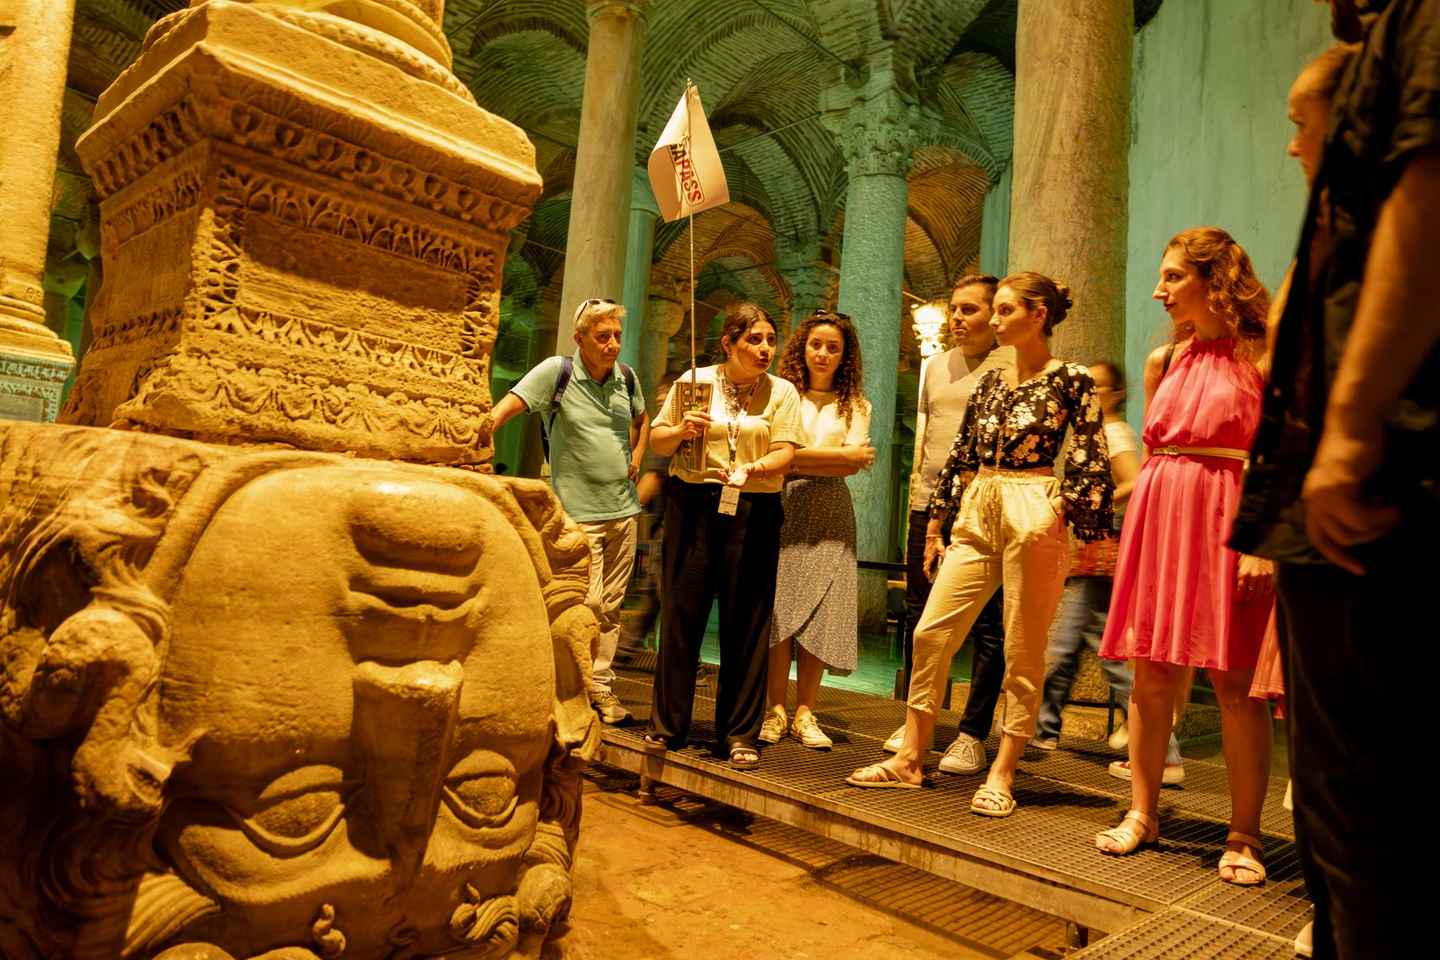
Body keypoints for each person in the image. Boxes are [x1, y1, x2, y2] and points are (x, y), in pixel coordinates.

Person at [1229, 2, 1439, 955]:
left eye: (1297, 126)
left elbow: (1427, 200)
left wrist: (1348, 435)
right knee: (1350, 812)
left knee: (1366, 814)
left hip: (1386, 481)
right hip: (1364, 476)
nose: (1288, 148)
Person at [846, 273, 1113, 820]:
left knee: (1023, 644)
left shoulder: (1071, 379)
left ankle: (1003, 770)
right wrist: (939, 523)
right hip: (979, 499)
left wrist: (1060, 508)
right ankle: (912, 757)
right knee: (931, 630)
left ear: (1038, 314)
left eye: (1006, 309)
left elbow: (1090, 456)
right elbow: (961, 454)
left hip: (1031, 502)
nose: (994, 319)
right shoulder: (991, 382)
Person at [1095, 229, 1274, 890]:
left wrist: (1260, 538)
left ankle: (1244, 833)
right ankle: (1142, 812)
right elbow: (1151, 457)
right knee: (1151, 677)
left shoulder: (1260, 352)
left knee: (1233, 684)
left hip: (1228, 518)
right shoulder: (1163, 360)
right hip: (1161, 513)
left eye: (1172, 277)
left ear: (1212, 278)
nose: (1159, 290)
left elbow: (1274, 452)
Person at [643, 303, 804, 770]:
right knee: (681, 617)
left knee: (747, 623)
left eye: (770, 340)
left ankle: (739, 734)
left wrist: (752, 467)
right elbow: (658, 442)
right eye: (754, 340)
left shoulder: (782, 391)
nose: (765, 349)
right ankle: (666, 728)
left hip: (753, 504)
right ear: (728, 343)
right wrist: (680, 430)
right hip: (692, 505)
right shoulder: (694, 383)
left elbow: (786, 452)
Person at [492, 298, 649, 725]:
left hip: (622, 512)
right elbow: (511, 405)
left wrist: (636, 455)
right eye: (603, 337)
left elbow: (642, 419)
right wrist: (479, 434)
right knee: (586, 602)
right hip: (579, 512)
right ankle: (565, 685)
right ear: (579, 339)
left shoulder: (626, 379)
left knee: (612, 605)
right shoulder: (556, 373)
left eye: (616, 336)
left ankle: (599, 685)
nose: (613, 344)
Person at [890, 275, 1014, 775]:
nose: (957, 319)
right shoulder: (935, 367)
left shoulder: (1011, 366)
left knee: (988, 625)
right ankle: (920, 721)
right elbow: (926, 437)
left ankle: (972, 733)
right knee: (922, 616)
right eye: (954, 310)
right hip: (929, 503)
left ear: (995, 315)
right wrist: (919, 505)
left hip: (986, 506)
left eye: (969, 310)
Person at [1029, 361, 1167, 755]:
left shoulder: (1112, 432)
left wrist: (1090, 504)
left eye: (1097, 387)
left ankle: (1158, 745)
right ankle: (1045, 730)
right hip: (1096, 550)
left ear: (1115, 394)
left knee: (1095, 650)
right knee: (1077, 645)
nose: (1087, 394)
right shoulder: (1097, 432)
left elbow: (1135, 481)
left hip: (1106, 549)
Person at [761, 310, 874, 750]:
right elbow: (781, 453)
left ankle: (806, 711)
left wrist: (795, 455)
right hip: (783, 505)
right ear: (801, 348)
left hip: (831, 511)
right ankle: (774, 708)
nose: (823, 354)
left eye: (833, 347)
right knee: (780, 610)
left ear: (845, 356)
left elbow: (856, 461)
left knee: (822, 611)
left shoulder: (857, 405)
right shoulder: (780, 395)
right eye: (816, 345)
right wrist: (832, 457)